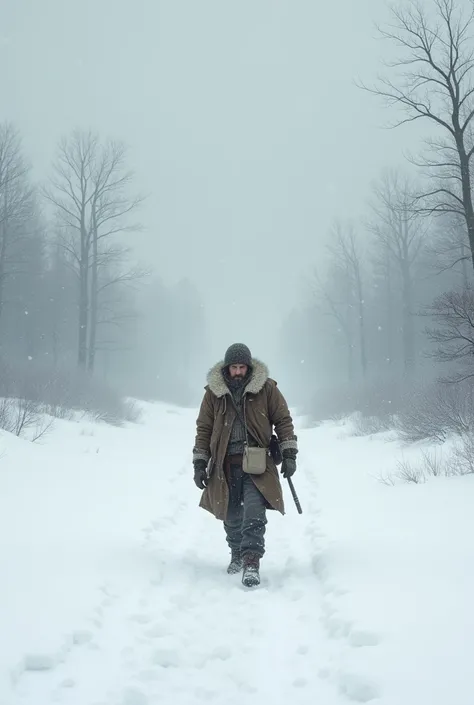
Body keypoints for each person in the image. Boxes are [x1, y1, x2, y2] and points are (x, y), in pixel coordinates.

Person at [192, 343, 298, 587]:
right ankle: (237, 553)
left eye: (242, 367)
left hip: (257, 463)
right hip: (224, 464)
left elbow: (283, 420)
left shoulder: (267, 389)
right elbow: (204, 429)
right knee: (230, 514)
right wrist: (200, 462)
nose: (238, 372)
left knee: (253, 511)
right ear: (227, 369)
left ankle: (251, 562)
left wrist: (289, 453)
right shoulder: (213, 394)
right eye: (234, 367)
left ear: (248, 368)